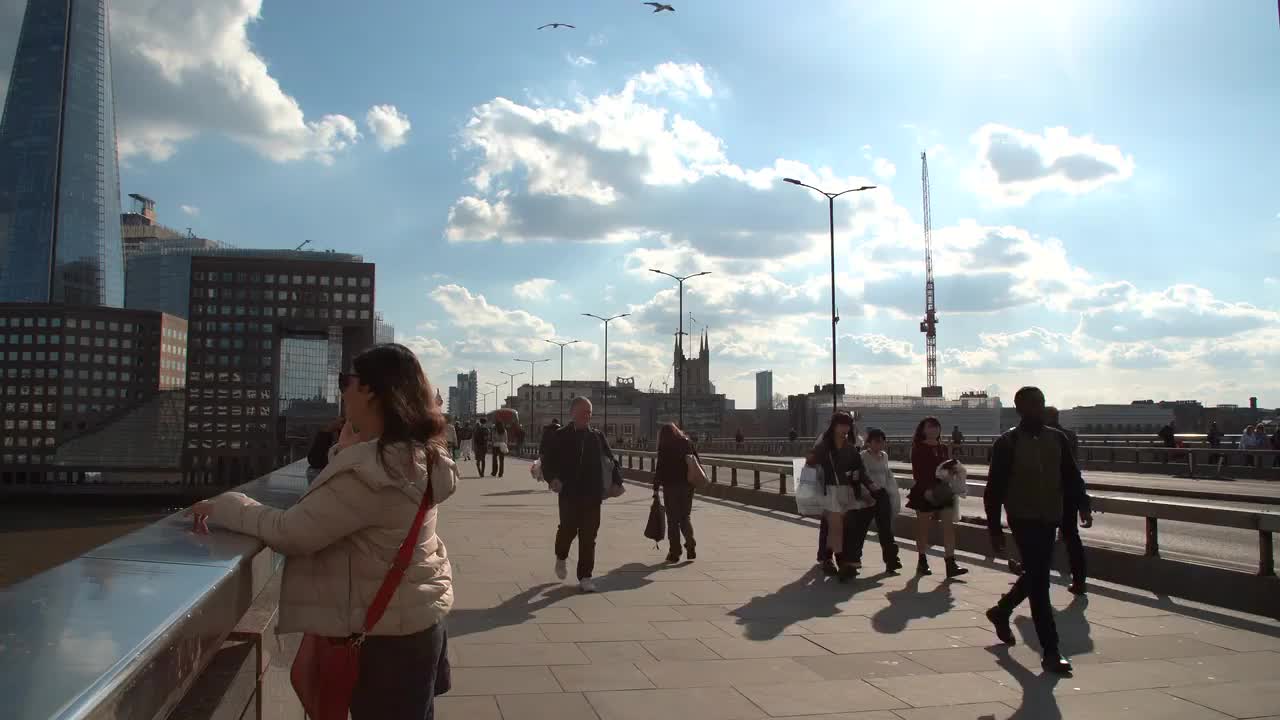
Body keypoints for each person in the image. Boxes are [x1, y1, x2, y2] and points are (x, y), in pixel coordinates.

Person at [187, 343, 460, 718]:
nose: (342, 391)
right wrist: (347, 453)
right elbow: (352, 508)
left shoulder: (374, 470)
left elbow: (293, 531)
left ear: (370, 391)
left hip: (387, 644)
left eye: (346, 381)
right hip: (418, 622)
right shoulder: (416, 454)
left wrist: (229, 505)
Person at [984, 386, 1084, 675]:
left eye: (1040, 403)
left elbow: (1071, 475)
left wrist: (1083, 504)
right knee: (1040, 582)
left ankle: (1001, 610)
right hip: (1022, 516)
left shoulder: (1057, 439)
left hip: (1050, 515)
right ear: (1020, 409)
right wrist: (994, 530)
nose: (1037, 409)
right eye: (1031, 405)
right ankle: (1051, 651)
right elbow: (994, 491)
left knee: (1037, 573)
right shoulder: (1008, 443)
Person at [541, 397, 625, 592]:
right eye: (584, 412)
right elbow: (548, 462)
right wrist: (552, 479)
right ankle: (561, 557)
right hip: (569, 494)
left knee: (589, 536)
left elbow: (610, 461)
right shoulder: (561, 435)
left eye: (589, 412)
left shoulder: (597, 436)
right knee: (567, 530)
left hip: (592, 495)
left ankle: (585, 577)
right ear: (573, 413)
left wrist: (617, 482)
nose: (587, 416)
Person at [806, 411, 866, 581]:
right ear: (834, 425)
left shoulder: (852, 442)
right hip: (829, 490)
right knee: (833, 526)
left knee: (839, 526)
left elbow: (858, 466)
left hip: (845, 490)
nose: (845, 428)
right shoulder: (825, 444)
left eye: (847, 424)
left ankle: (835, 559)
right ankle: (834, 559)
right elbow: (811, 461)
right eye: (841, 424)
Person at [906, 416, 968, 578]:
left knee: (948, 527)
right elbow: (918, 472)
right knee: (923, 528)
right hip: (924, 490)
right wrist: (927, 489)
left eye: (936, 427)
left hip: (943, 490)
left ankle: (950, 562)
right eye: (930, 427)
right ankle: (922, 561)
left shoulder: (943, 447)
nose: (934, 430)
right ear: (923, 430)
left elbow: (945, 467)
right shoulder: (918, 447)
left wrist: (954, 470)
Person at [1046, 406, 1092, 594]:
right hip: (1069, 493)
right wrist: (1083, 504)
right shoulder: (1069, 436)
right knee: (1071, 536)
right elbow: (1074, 472)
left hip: (1048, 494)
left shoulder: (1043, 437)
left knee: (1041, 536)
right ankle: (1079, 580)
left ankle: (1027, 571)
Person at [852, 428, 902, 574]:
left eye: (882, 441)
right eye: (876, 441)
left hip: (882, 495)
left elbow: (887, 476)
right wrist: (865, 494)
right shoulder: (863, 457)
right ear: (869, 442)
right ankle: (855, 560)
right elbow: (862, 477)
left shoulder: (884, 456)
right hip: (868, 496)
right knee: (861, 529)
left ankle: (892, 560)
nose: (879, 444)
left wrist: (891, 494)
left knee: (886, 529)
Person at [653, 422, 698, 563]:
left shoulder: (664, 446)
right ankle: (690, 545)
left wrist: (655, 487)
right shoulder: (687, 443)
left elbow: (659, 468)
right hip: (688, 485)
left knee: (673, 520)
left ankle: (675, 552)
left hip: (671, 487)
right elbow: (696, 462)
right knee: (685, 517)